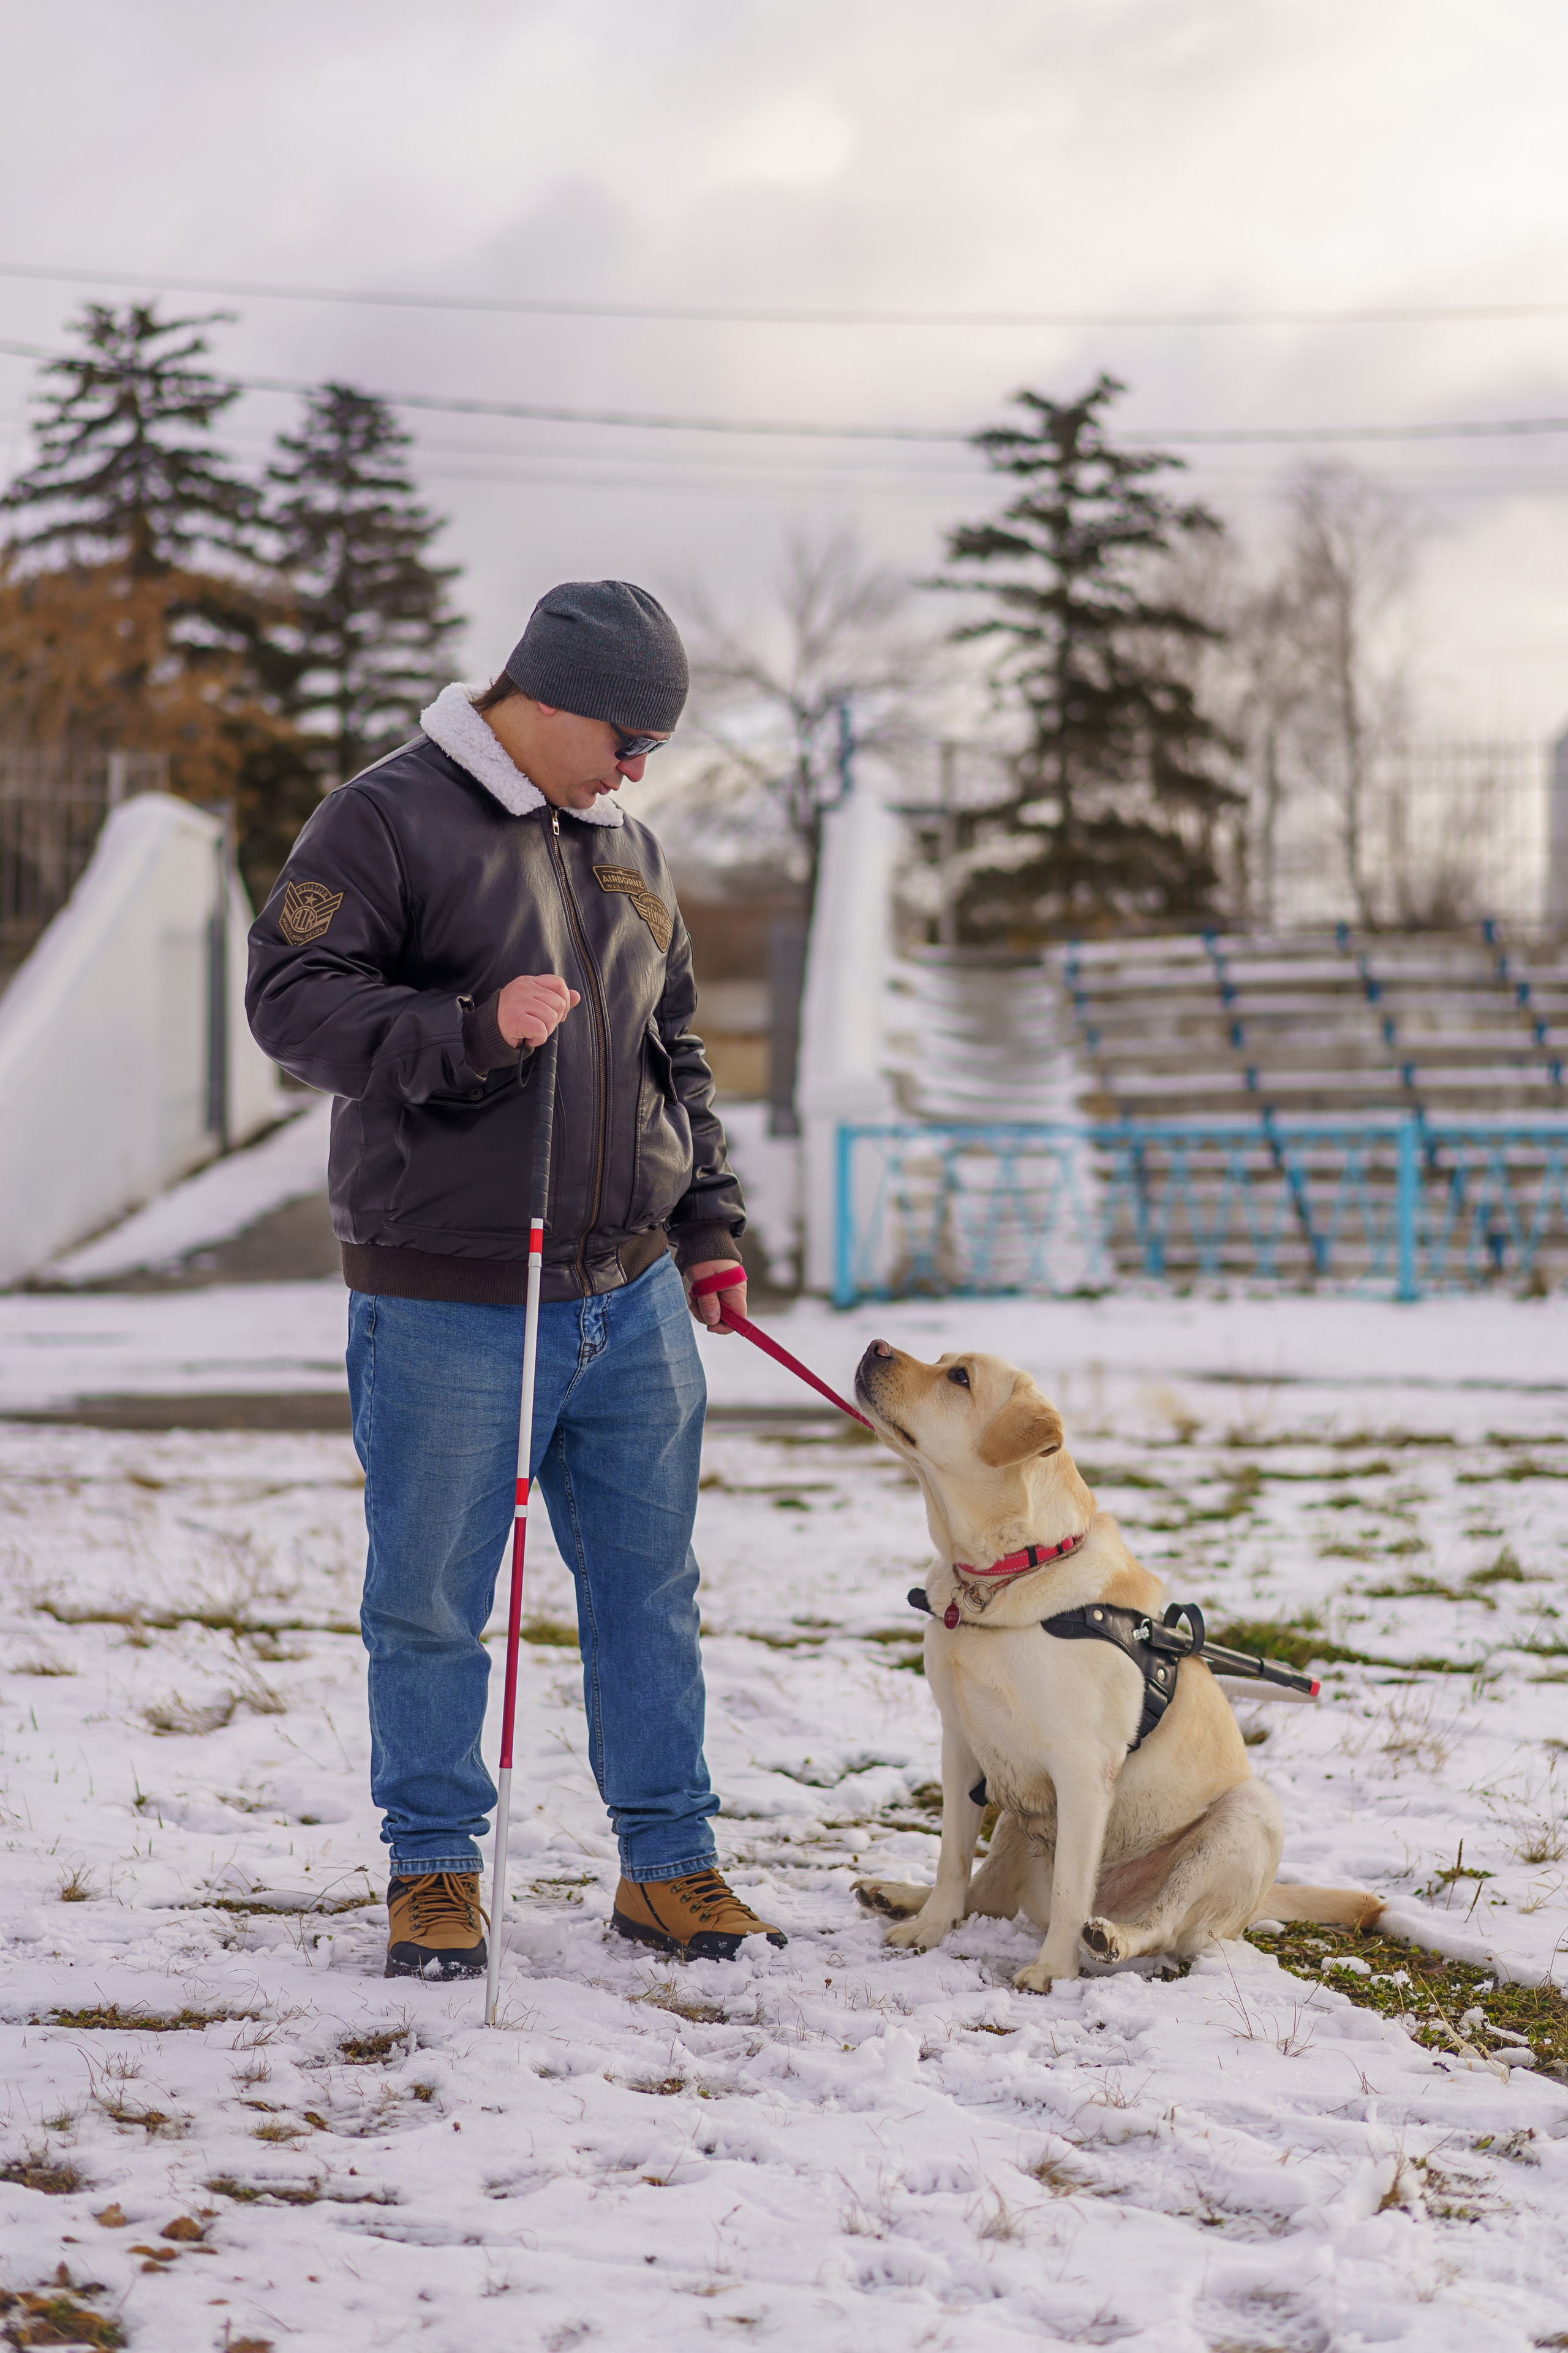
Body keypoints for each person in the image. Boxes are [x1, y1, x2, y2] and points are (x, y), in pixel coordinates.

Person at [246, 580, 785, 1979]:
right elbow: (291, 1000)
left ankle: (667, 1867)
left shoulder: (628, 844)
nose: (637, 766)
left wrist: (709, 1224)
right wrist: (468, 1025)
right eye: (625, 734)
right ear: (541, 696)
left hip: (633, 1292)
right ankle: (432, 1870)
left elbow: (674, 1049)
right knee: (431, 1595)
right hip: (452, 1295)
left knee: (646, 1589)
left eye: (655, 747)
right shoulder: (385, 816)